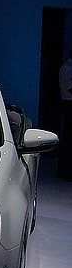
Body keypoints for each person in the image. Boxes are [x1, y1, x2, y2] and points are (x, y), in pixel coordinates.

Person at [58, 48, 72, 181]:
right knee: (68, 139)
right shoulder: (68, 68)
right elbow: (70, 88)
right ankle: (65, 171)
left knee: (68, 138)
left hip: (67, 103)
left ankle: (64, 170)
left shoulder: (66, 67)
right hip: (69, 103)